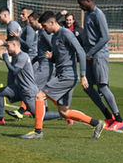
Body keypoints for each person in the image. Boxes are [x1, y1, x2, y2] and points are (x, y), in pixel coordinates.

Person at [21, 11, 105, 140]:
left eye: (44, 26)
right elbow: (61, 56)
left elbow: (81, 53)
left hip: (67, 76)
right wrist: (52, 57)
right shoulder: (54, 37)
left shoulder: (66, 34)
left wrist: (83, 75)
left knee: (39, 96)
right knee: (63, 111)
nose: (43, 29)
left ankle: (38, 132)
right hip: (63, 76)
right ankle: (96, 123)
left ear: (52, 22)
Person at [78, 0, 123, 130]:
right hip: (89, 55)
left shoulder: (99, 15)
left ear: (87, 1)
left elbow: (105, 37)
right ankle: (108, 116)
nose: (80, 6)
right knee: (87, 87)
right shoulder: (87, 13)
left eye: (81, 3)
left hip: (98, 55)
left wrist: (91, 52)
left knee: (103, 87)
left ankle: (119, 119)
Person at [0, 36, 59, 126]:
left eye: (8, 46)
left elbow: (15, 71)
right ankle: (0, 119)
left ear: (14, 45)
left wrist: (6, 60)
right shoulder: (18, 54)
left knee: (39, 115)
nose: (7, 48)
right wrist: (3, 44)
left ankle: (63, 114)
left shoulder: (22, 56)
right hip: (20, 88)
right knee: (0, 92)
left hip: (28, 91)